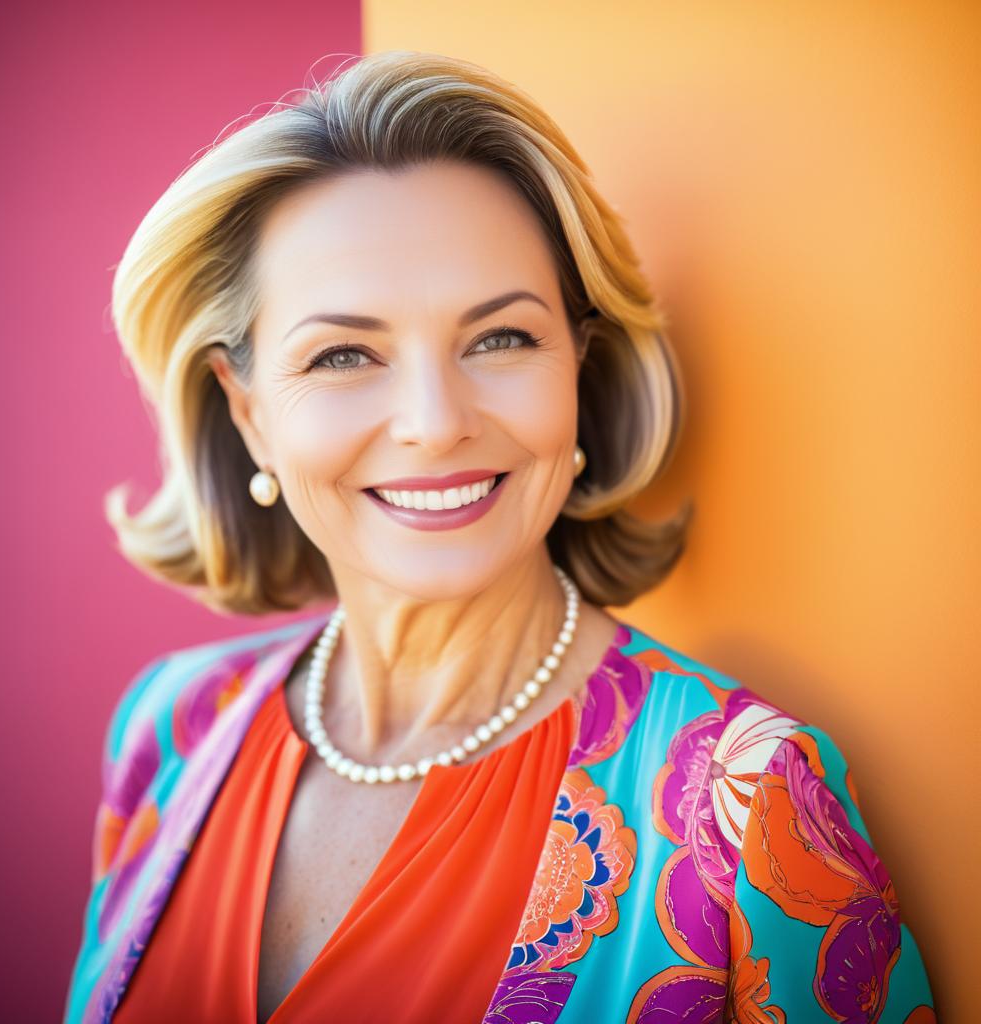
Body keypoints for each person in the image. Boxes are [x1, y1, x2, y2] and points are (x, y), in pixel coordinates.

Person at [64, 50, 936, 1024]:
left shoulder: (749, 797)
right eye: (343, 353)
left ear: (578, 368)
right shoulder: (171, 727)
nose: (435, 422)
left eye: (500, 338)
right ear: (249, 409)